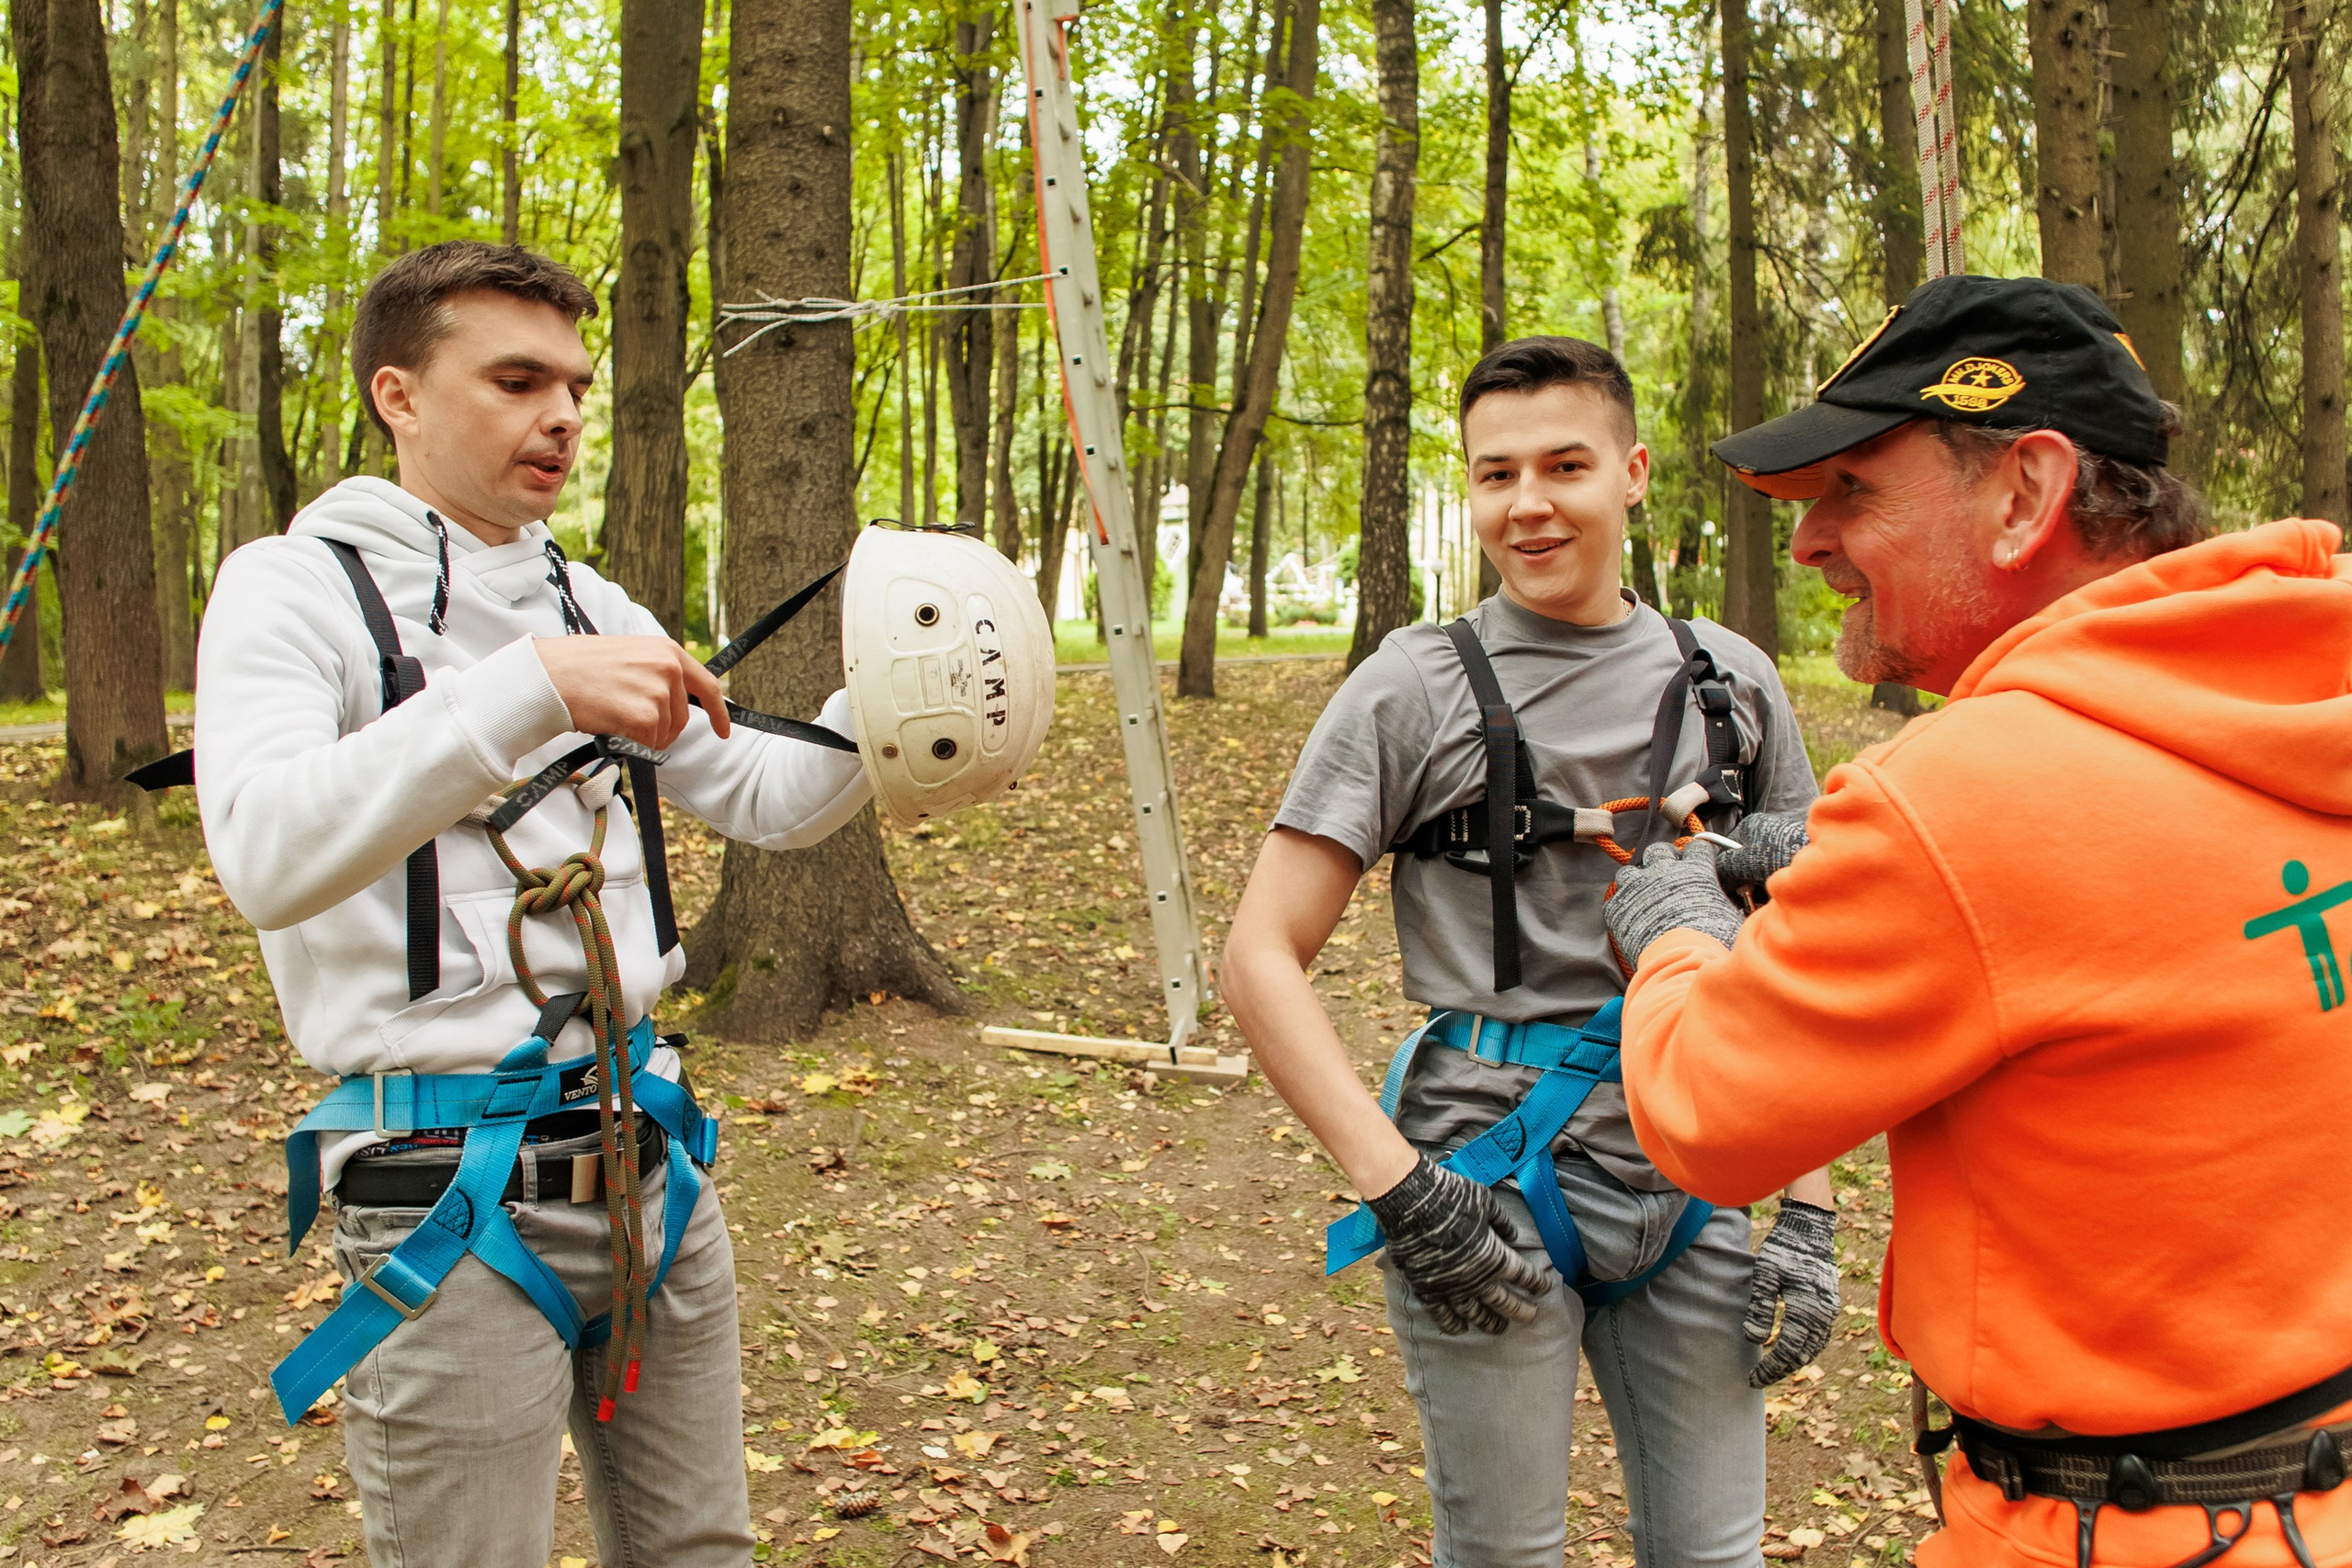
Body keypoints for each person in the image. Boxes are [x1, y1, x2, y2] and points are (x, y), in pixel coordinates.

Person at [1601, 274, 2352, 1568]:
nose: (1809, 542)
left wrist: (1676, 923)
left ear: (2026, 492)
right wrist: (1850, 872)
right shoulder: (2305, 686)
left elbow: (1708, 1114)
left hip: (2119, 1530)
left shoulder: (1962, 798)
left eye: (1855, 491)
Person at [195, 242, 872, 1566]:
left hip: (653, 1176)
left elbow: (760, 794)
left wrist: (906, 722)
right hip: (441, 1200)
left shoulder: (582, 594)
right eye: (515, 380)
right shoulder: (291, 589)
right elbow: (263, 850)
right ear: (399, 395)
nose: (561, 414)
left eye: (573, 383)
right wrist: (533, 693)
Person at [1223, 336, 1840, 1568]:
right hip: (1487, 1185)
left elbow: (1799, 955)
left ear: (1634, 473)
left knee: (1718, 1553)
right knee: (1505, 1553)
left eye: (1565, 465)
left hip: (1695, 1172)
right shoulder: (1411, 690)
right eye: (1495, 474)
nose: (1530, 504)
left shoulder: (1734, 686)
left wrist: (1809, 1216)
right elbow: (1257, 956)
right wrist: (1403, 1193)